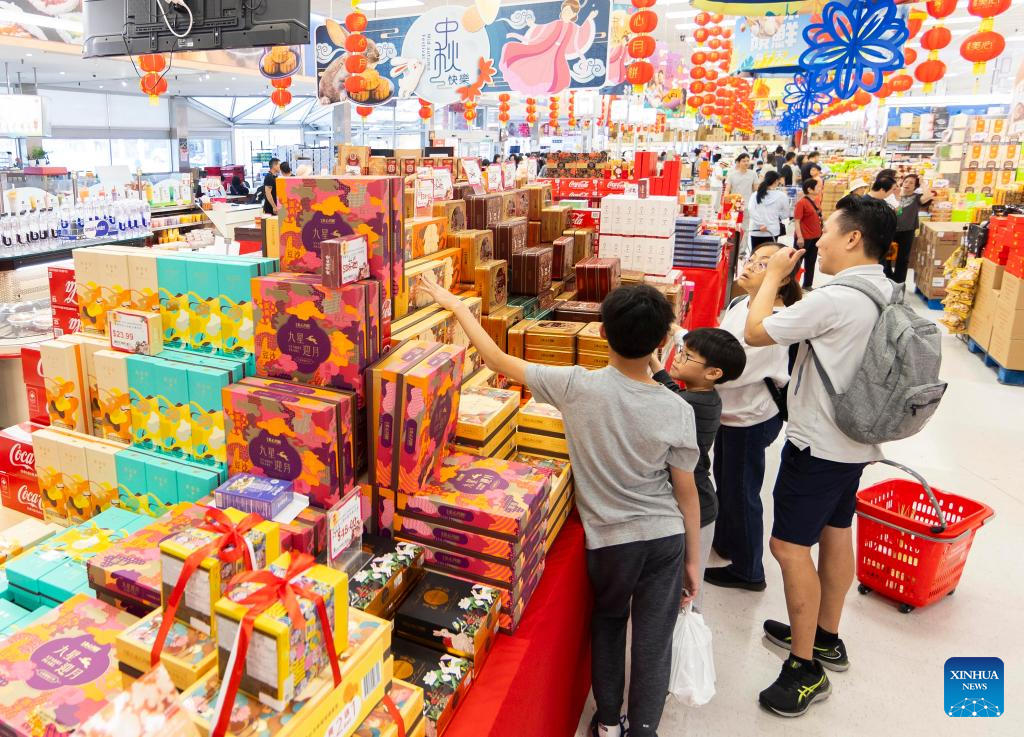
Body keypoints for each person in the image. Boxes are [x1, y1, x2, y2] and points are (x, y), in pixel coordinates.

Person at [418, 279, 702, 737]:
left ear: (602, 334)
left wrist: (455, 305)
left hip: (611, 541)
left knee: (610, 623)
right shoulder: (677, 409)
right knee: (653, 641)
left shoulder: (575, 385)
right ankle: (644, 730)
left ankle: (609, 724)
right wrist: (693, 559)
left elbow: (496, 359)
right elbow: (686, 492)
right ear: (664, 342)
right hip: (665, 537)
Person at [744, 195, 899, 717]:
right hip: (855, 439)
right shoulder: (884, 287)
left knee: (789, 548)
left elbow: (755, 330)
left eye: (827, 232)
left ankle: (804, 667)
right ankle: (826, 635)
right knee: (835, 532)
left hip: (819, 444)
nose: (818, 241)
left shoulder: (835, 298)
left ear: (853, 238)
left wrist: (770, 277)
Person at [704, 243, 801, 592]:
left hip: (751, 417)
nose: (749, 266)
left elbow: (737, 369)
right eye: (751, 259)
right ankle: (730, 541)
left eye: (763, 264)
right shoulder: (738, 304)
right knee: (726, 480)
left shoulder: (774, 321)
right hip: (731, 412)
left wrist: (697, 369)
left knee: (742, 490)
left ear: (782, 278)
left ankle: (749, 569)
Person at [648, 328, 747, 611]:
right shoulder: (703, 396)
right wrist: (655, 363)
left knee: (685, 596)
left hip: (696, 510)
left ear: (713, 372)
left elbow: (668, 401)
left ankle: (682, 652)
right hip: (699, 505)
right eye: (680, 350)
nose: (677, 358)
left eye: (687, 355)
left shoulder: (689, 405)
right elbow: (673, 392)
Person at [888, 173, 934, 284]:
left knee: (903, 258)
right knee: (887, 256)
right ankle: (887, 278)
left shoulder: (916, 198)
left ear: (915, 187)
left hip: (907, 231)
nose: (908, 184)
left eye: (912, 183)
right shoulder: (893, 195)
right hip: (890, 229)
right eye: (906, 181)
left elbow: (928, 196)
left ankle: (899, 282)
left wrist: (922, 182)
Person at [746, 170, 791, 249]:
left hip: (756, 230)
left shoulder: (755, 194)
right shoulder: (782, 195)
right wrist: (777, 215)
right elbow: (786, 214)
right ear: (776, 181)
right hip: (772, 231)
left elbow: (751, 210)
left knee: (756, 255)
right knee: (770, 256)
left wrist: (760, 224)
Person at [793, 178, 824, 289]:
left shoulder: (816, 201)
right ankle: (792, 286)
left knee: (811, 262)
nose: (820, 188)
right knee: (796, 263)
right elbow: (797, 221)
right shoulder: (801, 203)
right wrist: (799, 237)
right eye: (818, 186)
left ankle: (807, 285)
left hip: (815, 237)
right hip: (804, 237)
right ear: (810, 189)